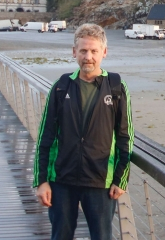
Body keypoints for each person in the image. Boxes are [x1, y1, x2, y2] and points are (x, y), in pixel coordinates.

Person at [34, 23, 134, 240]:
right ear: (74, 52)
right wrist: (41, 181)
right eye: (83, 51)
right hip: (62, 180)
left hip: (100, 180)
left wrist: (121, 179)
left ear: (104, 53)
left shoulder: (116, 86)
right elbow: (46, 137)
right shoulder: (61, 86)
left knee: (102, 236)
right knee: (61, 235)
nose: (88, 56)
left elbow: (126, 137)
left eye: (94, 51)